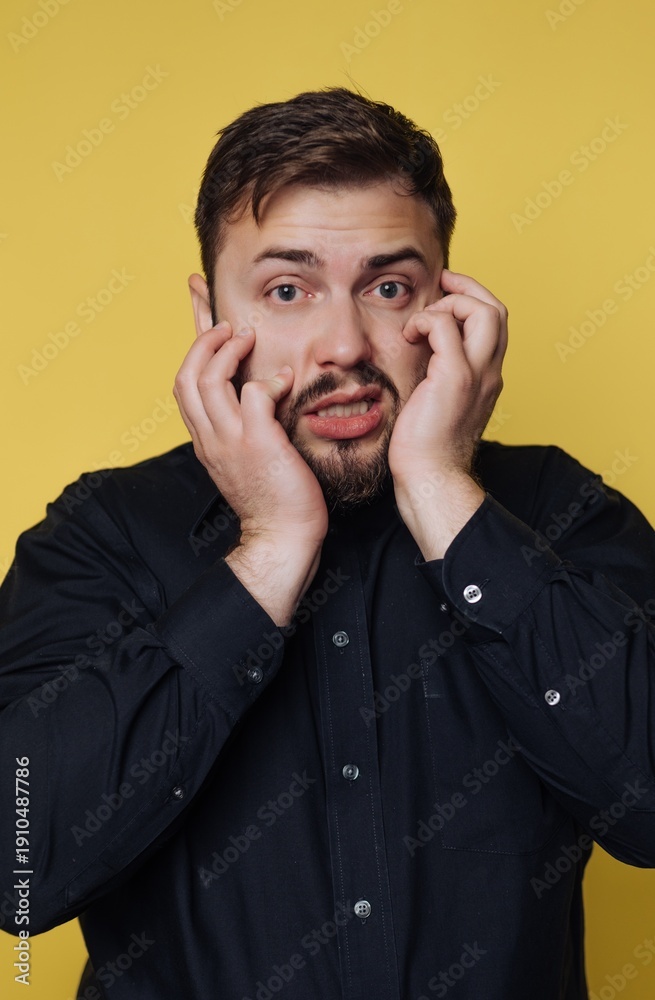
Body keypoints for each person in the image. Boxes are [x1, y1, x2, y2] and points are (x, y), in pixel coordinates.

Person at [1, 87, 654, 1000]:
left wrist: (441, 490)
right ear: (209, 313)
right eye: (286, 290)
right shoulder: (103, 535)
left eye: (388, 288)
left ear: (448, 305)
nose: (342, 344)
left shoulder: (563, 511)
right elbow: (18, 866)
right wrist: (270, 544)